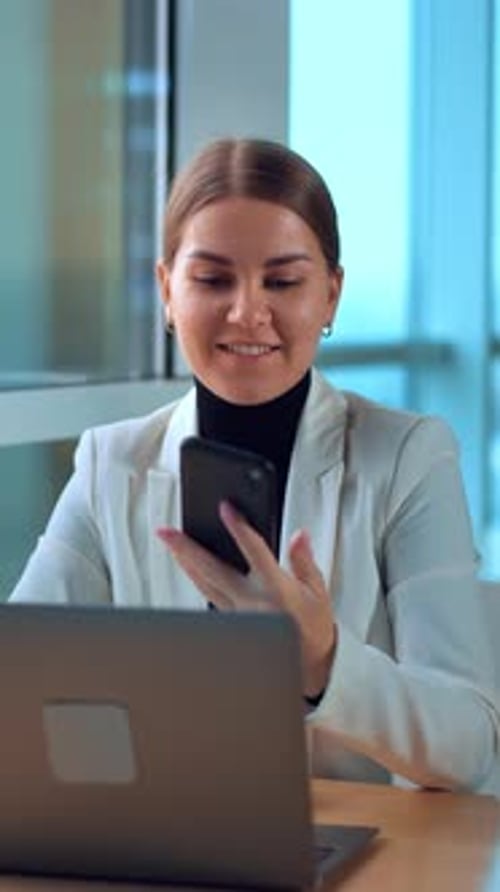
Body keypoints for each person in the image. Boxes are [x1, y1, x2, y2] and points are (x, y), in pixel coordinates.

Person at [10, 137, 499, 792]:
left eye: (283, 281)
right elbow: (18, 685)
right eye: (212, 280)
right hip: (158, 846)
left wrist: (324, 662)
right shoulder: (110, 465)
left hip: (361, 858)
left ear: (330, 294)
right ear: (166, 290)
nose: (247, 312)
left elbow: (466, 746)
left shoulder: (408, 457)